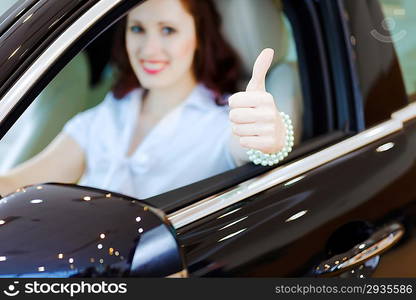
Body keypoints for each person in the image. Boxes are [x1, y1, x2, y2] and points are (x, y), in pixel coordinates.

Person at [0, 0, 289, 199]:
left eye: (168, 30)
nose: (149, 49)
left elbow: (252, 145)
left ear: (198, 36)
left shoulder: (225, 119)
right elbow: (21, 181)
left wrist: (272, 136)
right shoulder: (109, 111)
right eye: (137, 28)